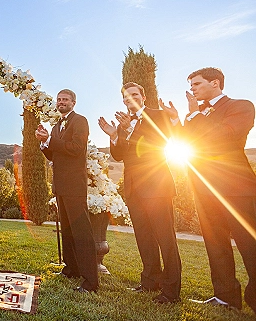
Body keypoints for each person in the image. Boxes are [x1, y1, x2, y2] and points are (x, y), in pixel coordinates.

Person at [98, 82, 181, 304]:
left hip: (157, 185)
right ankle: (150, 281)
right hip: (134, 188)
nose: (129, 100)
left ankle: (171, 291)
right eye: (125, 98)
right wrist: (115, 135)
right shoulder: (124, 124)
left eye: (134, 95)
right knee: (144, 237)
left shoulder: (160, 116)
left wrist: (131, 130)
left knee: (166, 239)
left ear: (143, 97)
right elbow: (119, 155)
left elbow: (162, 142)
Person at [181, 67, 256, 312]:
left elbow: (227, 135)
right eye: (191, 85)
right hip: (204, 189)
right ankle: (226, 297)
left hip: (236, 187)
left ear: (216, 83)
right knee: (216, 245)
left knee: (249, 245)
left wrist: (195, 116)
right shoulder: (193, 115)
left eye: (197, 84)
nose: (192, 88)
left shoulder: (241, 106)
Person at [35, 89, 98, 293]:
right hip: (60, 185)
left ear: (73, 102)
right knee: (68, 231)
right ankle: (71, 268)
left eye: (65, 100)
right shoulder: (56, 126)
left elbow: (76, 148)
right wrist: (44, 142)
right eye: (59, 100)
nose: (61, 102)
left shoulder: (80, 121)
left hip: (74, 185)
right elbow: (55, 156)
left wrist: (51, 141)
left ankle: (91, 281)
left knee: (81, 232)